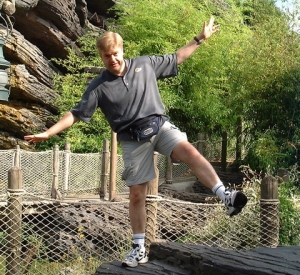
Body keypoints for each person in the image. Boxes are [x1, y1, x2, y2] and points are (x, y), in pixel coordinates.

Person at [24, 16, 247, 268]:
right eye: (107, 56)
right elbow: (75, 114)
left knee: (190, 152)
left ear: (122, 50)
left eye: (116, 53)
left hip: (159, 125)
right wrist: (48, 133)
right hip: (132, 139)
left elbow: (177, 58)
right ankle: (139, 248)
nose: (113, 59)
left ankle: (225, 196)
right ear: (101, 57)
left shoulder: (145, 64)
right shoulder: (98, 87)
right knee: (137, 195)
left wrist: (199, 39)